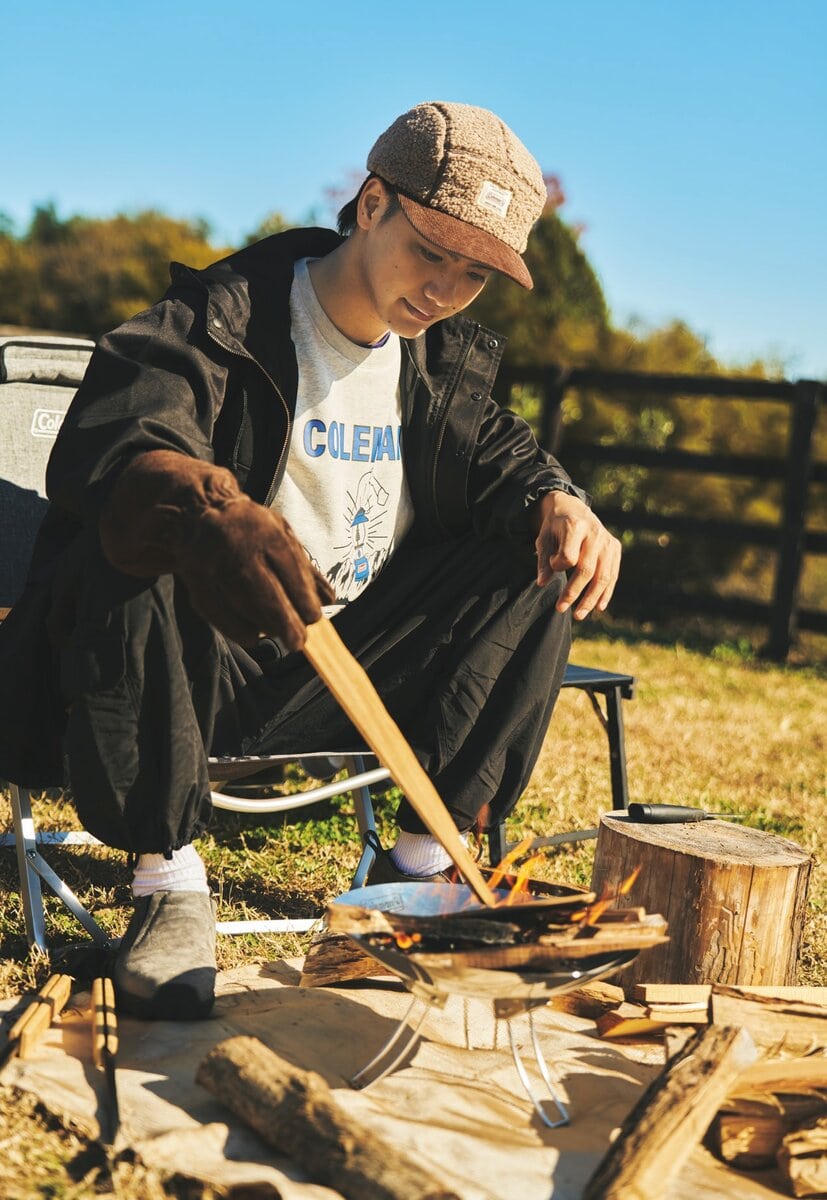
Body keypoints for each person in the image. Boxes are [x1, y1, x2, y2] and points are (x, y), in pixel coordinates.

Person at [0, 101, 620, 1020]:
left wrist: (559, 498)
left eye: (474, 274)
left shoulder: (438, 362)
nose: (445, 290)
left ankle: (416, 871)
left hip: (331, 668)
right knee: (147, 529)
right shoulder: (214, 319)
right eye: (431, 251)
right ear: (370, 204)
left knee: (537, 551)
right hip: (180, 666)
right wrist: (211, 510)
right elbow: (117, 449)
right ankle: (166, 879)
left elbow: (505, 458)